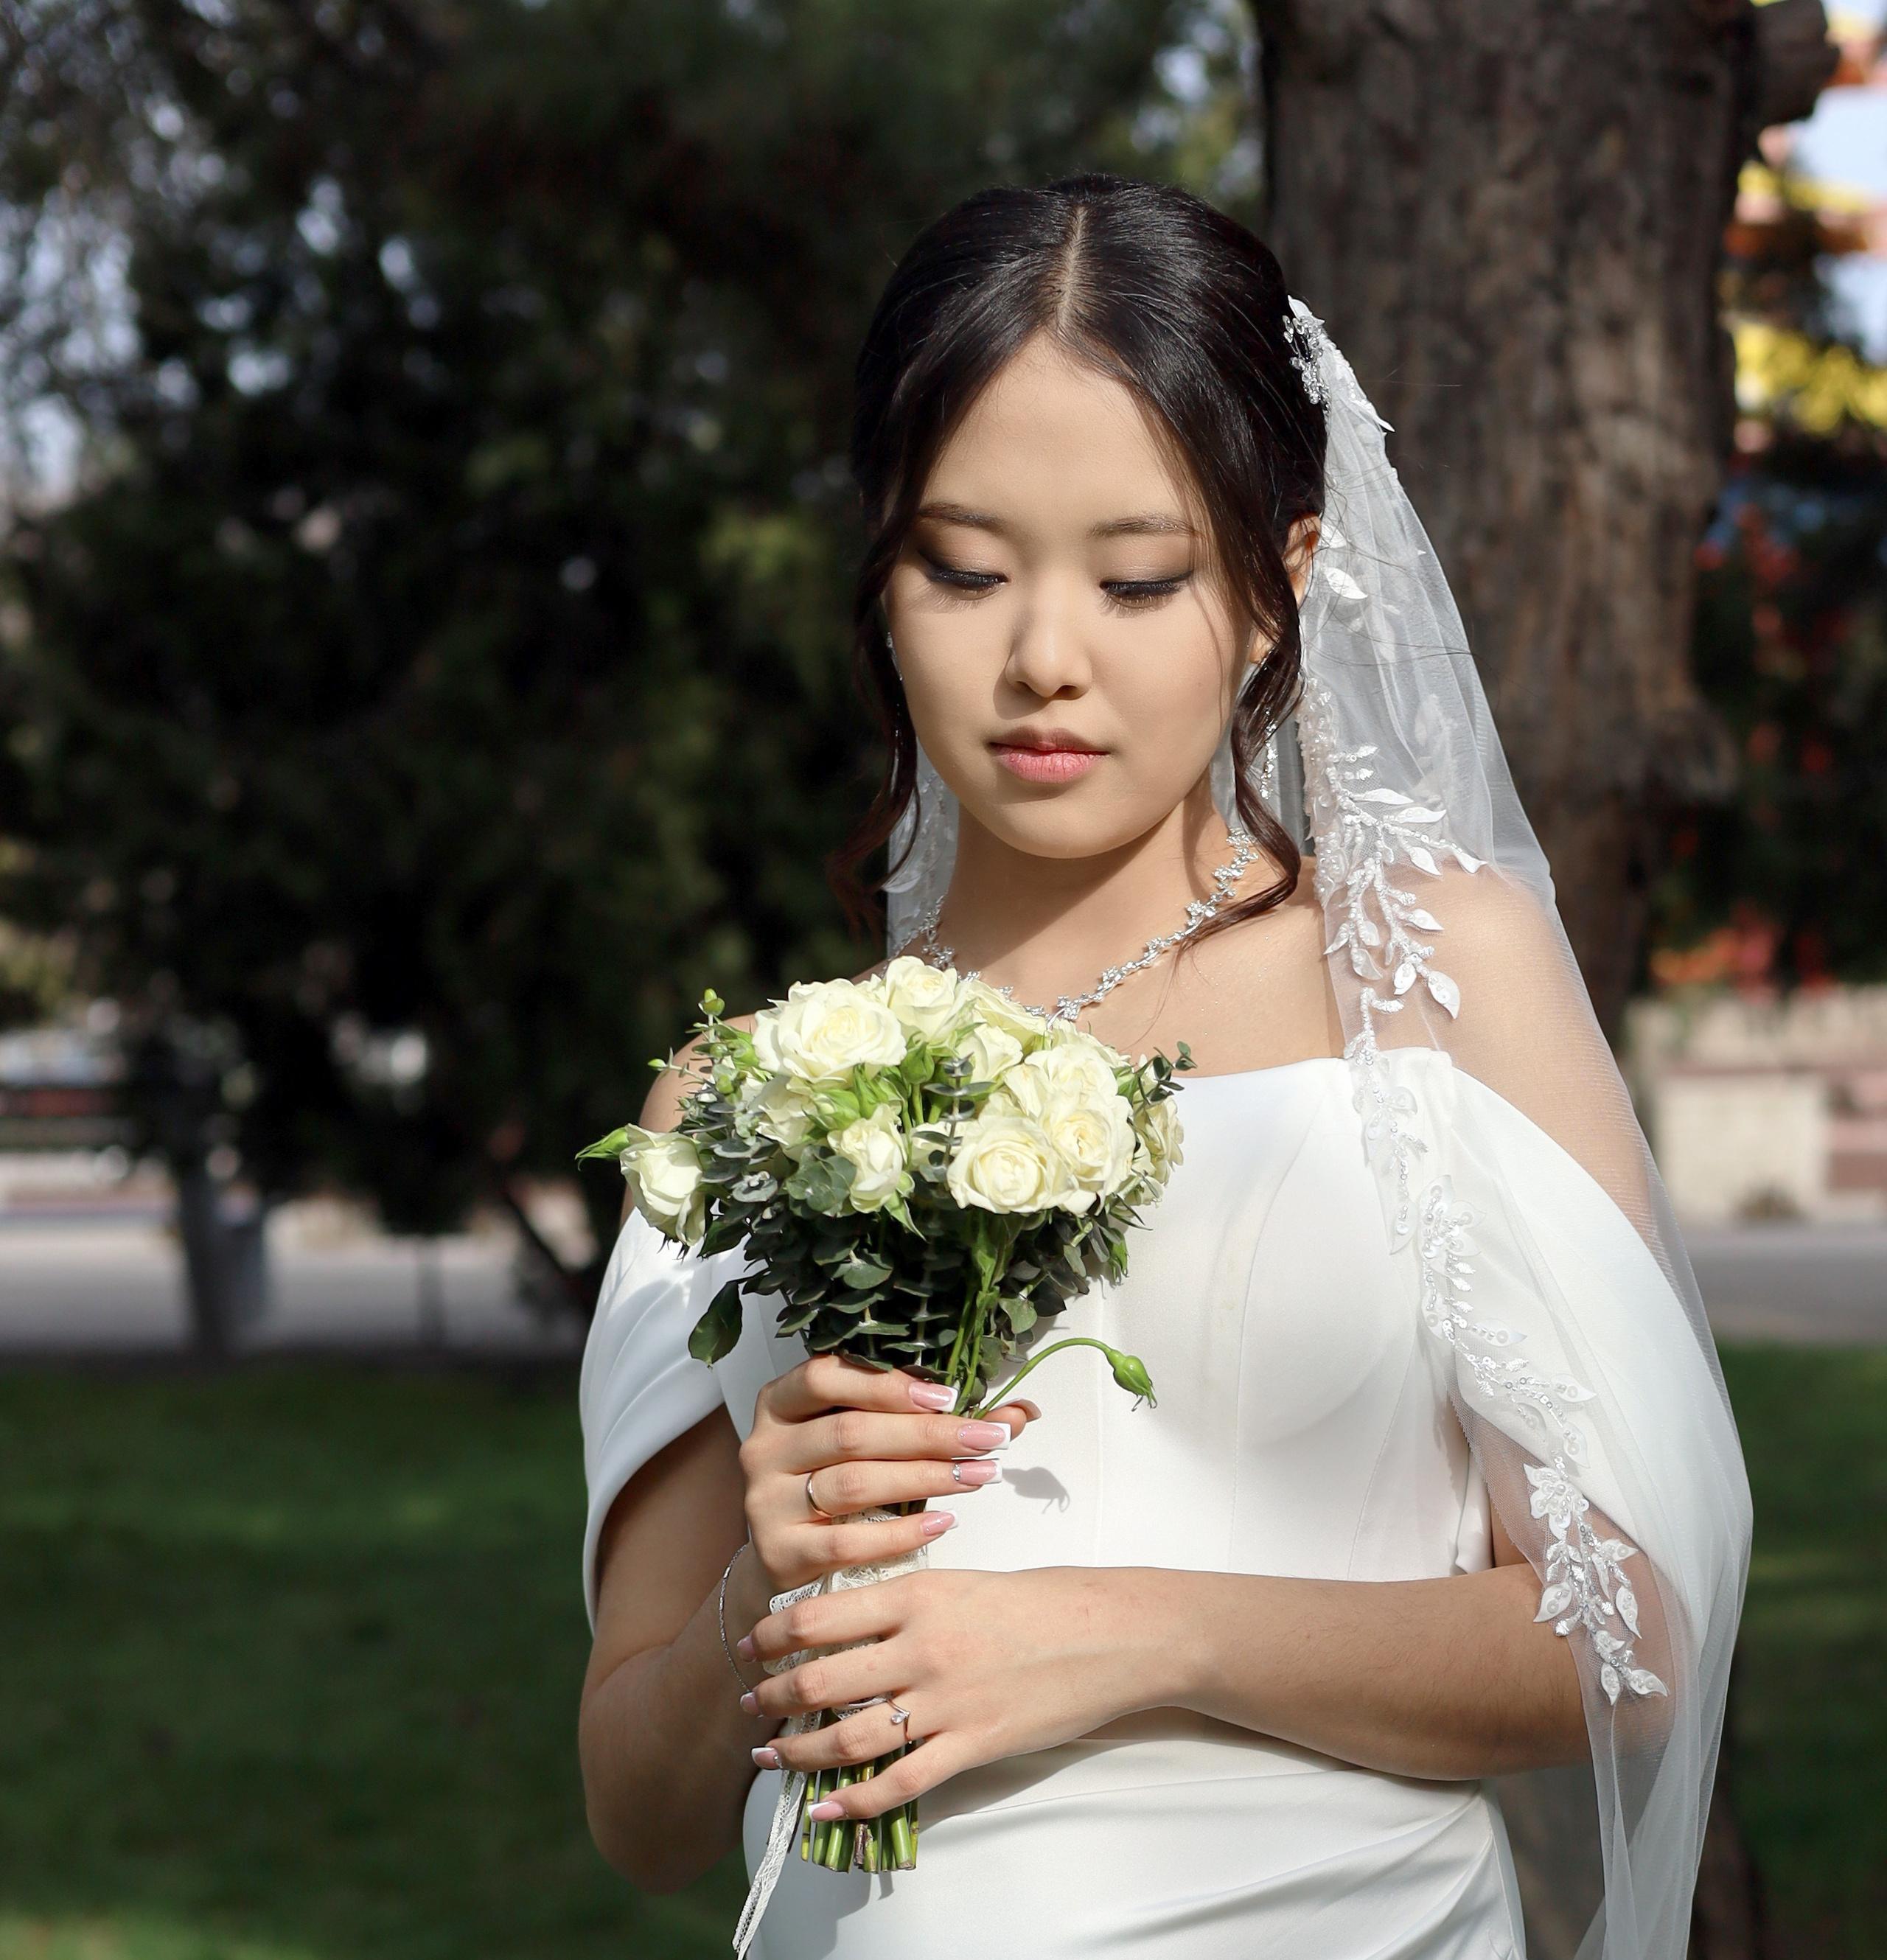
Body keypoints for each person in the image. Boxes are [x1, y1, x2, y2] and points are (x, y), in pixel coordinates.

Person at [576, 175, 1751, 1960]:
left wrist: (1116, 1632)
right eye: (962, 569)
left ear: (1276, 586)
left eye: (1137, 579)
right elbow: (638, 1813)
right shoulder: (736, 1106)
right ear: (881, 575)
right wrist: (771, 1587)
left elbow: (1628, 1637)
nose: (1044, 660)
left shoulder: (1429, 979)